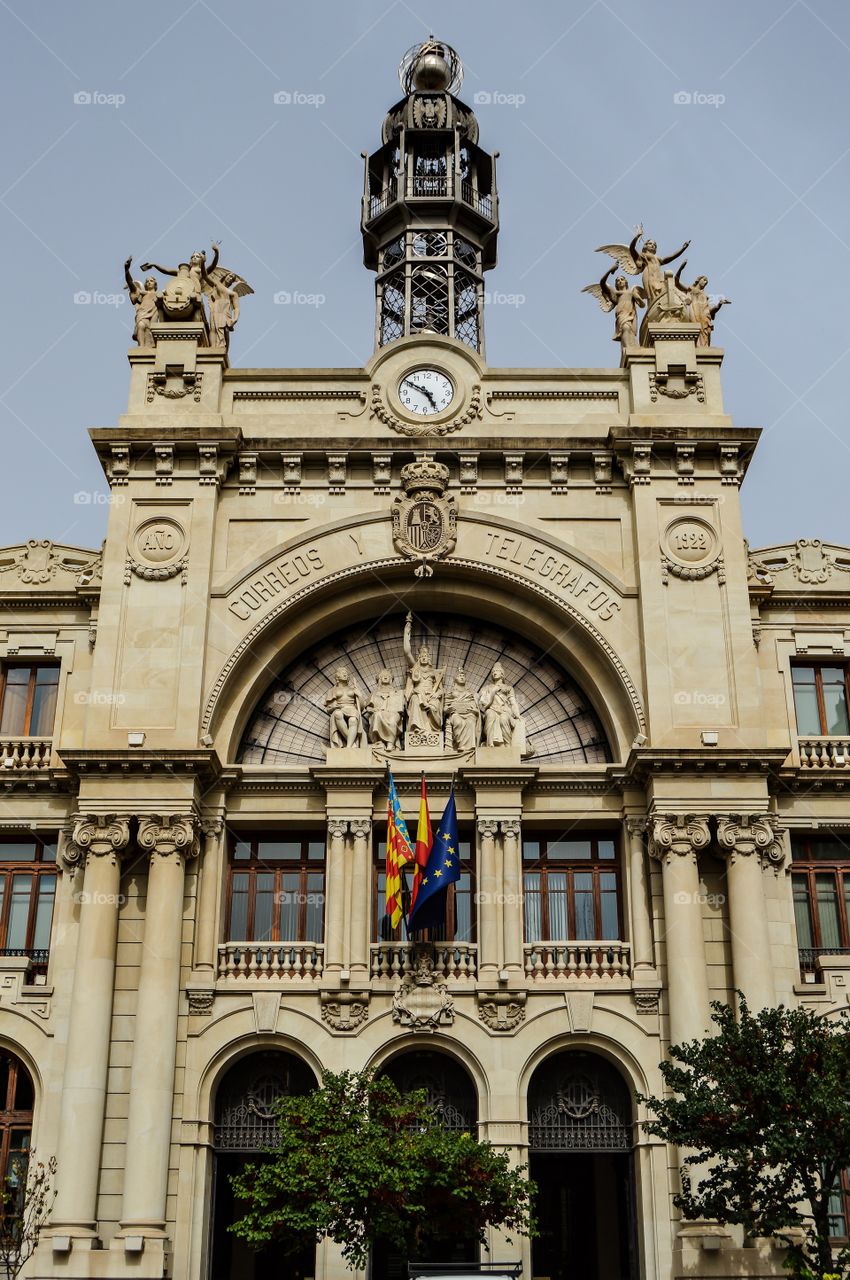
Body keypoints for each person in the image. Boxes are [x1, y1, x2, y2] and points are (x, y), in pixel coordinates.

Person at [403, 612, 444, 736]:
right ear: (419, 658)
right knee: (415, 700)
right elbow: (407, 651)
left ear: (429, 658)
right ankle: (417, 730)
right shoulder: (415, 667)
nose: (424, 657)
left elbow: (441, 690)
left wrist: (436, 694)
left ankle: (430, 730)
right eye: (421, 656)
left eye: (426, 655)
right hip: (418, 694)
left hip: (431, 696)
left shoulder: (434, 672)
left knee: (434, 706)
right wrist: (407, 629)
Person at [324, 666, 365, 748]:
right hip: (339, 709)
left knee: (353, 720)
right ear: (337, 677)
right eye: (342, 673)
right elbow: (328, 709)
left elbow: (361, 706)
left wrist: (359, 695)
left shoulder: (353, 689)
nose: (345, 674)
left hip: (352, 709)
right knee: (337, 714)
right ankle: (352, 744)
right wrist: (334, 707)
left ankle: (349, 746)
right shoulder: (332, 691)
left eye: (346, 673)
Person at [123, 258, 160, 347]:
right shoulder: (142, 293)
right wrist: (126, 270)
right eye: (147, 281)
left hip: (154, 314)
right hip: (142, 313)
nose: (149, 282)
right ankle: (141, 347)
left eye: (151, 281)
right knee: (140, 325)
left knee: (151, 332)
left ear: (155, 284)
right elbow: (130, 282)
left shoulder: (160, 295)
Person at [365, 670, 404, 749]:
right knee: (377, 715)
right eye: (383, 675)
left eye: (388, 675)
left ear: (390, 679)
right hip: (379, 713)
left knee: (393, 720)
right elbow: (368, 708)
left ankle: (390, 743)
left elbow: (402, 706)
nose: (386, 677)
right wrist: (372, 710)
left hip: (393, 713)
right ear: (379, 679)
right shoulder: (374, 693)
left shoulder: (397, 692)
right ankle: (379, 742)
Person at [445, 669, 480, 751]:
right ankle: (460, 745)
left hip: (469, 714)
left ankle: (470, 747)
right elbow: (444, 707)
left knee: (471, 721)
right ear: (455, 679)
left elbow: (476, 708)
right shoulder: (450, 693)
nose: (462, 677)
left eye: (463, 676)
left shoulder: (471, 693)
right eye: (459, 675)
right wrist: (448, 710)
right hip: (455, 714)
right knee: (458, 722)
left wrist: (474, 711)